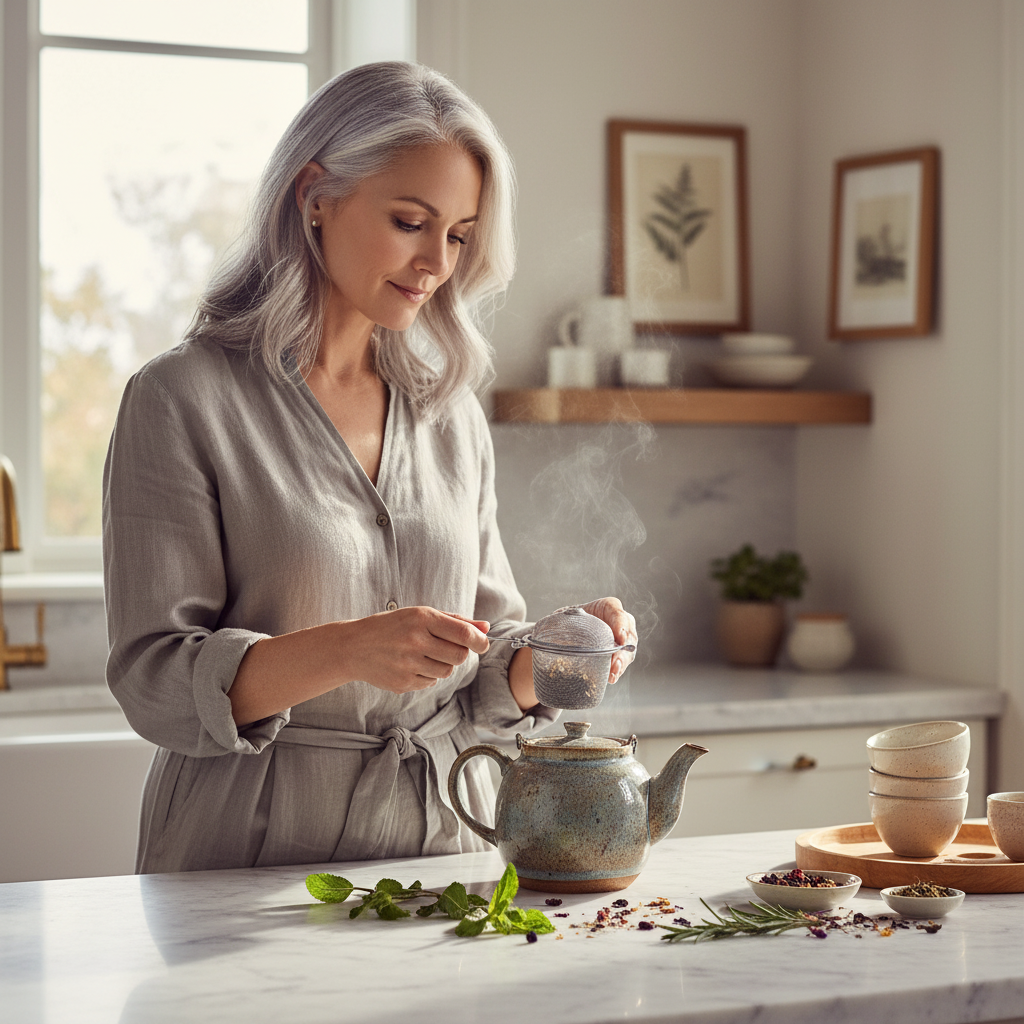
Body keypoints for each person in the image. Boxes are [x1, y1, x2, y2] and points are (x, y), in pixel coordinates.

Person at [102, 61, 637, 874]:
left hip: (442, 848)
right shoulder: (181, 398)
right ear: (316, 196)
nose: (436, 262)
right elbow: (154, 680)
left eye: (458, 235)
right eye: (410, 221)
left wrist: (558, 660)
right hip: (244, 853)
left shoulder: (450, 412)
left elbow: (486, 674)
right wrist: (345, 650)